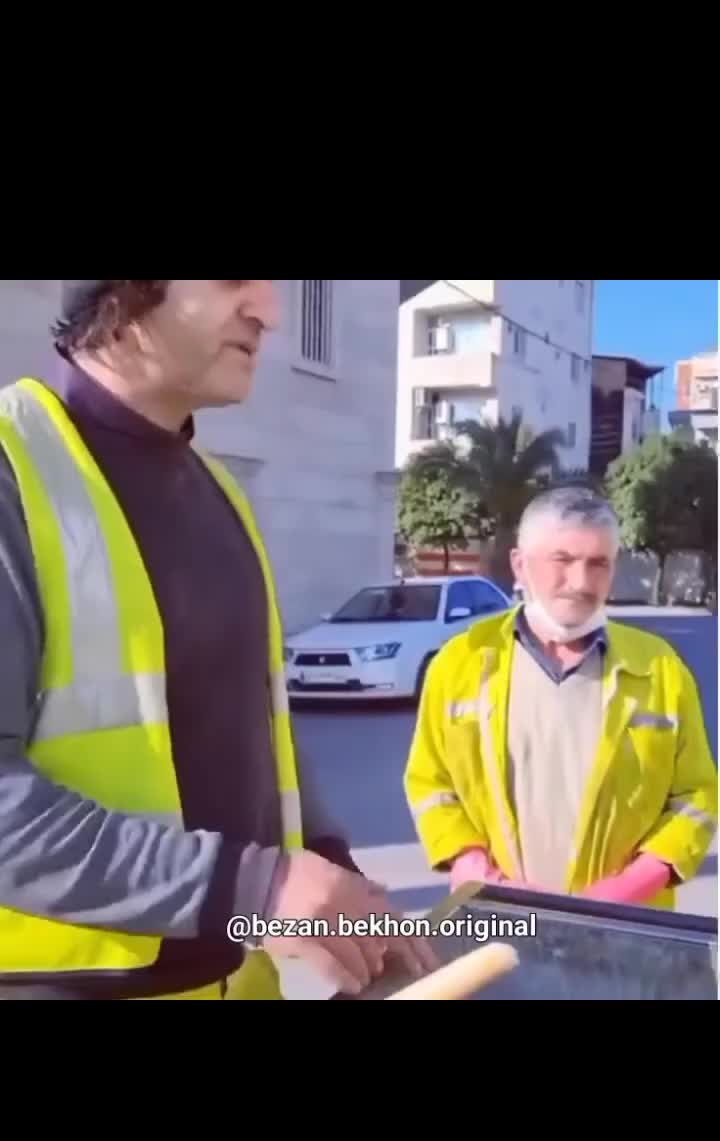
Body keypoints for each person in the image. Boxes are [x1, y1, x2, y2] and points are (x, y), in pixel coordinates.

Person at [0, 279, 436, 1000]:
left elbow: (260, 735)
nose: (270, 312)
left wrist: (330, 870)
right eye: (234, 279)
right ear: (121, 294)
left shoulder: (222, 495)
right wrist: (255, 886)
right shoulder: (13, 472)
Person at [405, 487, 717, 909]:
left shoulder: (659, 667)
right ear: (520, 565)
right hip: (498, 917)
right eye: (563, 560)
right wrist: (472, 867)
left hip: (630, 925)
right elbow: (430, 783)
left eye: (598, 563)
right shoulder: (462, 663)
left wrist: (628, 889)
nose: (581, 582)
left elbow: (697, 797)